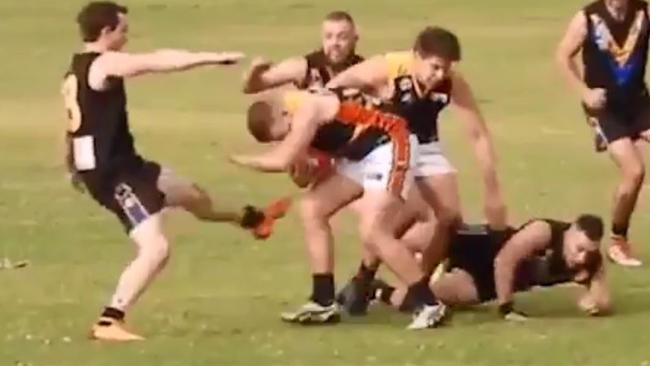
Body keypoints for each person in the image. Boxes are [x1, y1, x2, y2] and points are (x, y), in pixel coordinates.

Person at [62, 1, 289, 341]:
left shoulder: (75, 69)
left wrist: (73, 164)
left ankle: (254, 220)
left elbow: (78, 124)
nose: (128, 36)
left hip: (128, 165)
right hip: (115, 176)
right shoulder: (104, 63)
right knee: (156, 249)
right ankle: (109, 320)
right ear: (106, 32)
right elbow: (156, 62)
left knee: (193, 197)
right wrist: (210, 58)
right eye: (123, 29)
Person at [231, 87, 447, 330]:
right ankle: (323, 301)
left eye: (284, 134)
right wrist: (304, 165)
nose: (286, 139)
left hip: (389, 143)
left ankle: (429, 304)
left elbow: (281, 160)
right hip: (358, 155)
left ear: (284, 114)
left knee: (373, 231)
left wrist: (243, 160)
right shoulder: (296, 124)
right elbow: (304, 177)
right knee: (312, 208)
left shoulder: (306, 107)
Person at [326, 26, 507, 306]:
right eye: (434, 67)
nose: (439, 75)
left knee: (449, 216)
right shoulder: (388, 67)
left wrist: (493, 191)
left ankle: (413, 286)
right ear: (416, 57)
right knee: (391, 218)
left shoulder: (451, 82)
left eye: (445, 69)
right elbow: (335, 87)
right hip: (387, 146)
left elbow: (478, 134)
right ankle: (370, 281)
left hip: (425, 145)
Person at [349, 215, 611, 319]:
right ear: (571, 232)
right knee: (403, 240)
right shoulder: (544, 231)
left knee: (421, 302)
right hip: (478, 245)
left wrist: (594, 301)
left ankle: (376, 290)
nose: (581, 258)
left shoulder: (590, 261)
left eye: (589, 252)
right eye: (579, 249)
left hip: (484, 283)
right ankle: (360, 279)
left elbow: (602, 296)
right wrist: (507, 308)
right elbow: (504, 260)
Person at [556, 0, 650, 267]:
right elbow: (562, 55)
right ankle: (618, 241)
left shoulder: (643, 11)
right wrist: (584, 93)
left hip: (639, 103)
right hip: (605, 109)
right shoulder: (587, 17)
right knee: (634, 171)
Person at [242, 10, 363, 94]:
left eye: (342, 37)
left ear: (354, 40)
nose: (335, 43)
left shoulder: (364, 69)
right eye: (329, 36)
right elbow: (252, 87)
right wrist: (255, 70)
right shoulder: (304, 67)